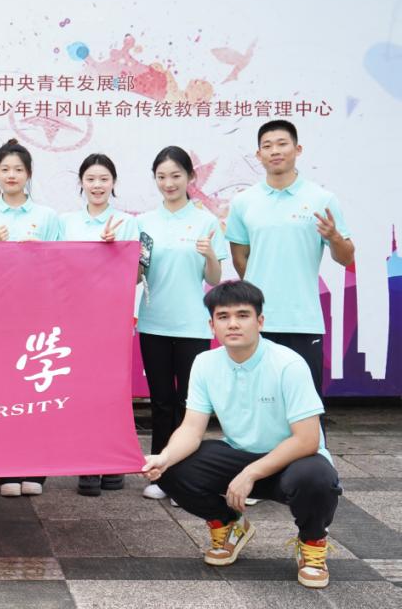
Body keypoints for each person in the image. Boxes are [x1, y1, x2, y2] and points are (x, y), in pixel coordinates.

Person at [142, 281, 340, 589]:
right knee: (169, 470)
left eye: (242, 315)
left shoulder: (288, 364)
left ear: (260, 321)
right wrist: (163, 457)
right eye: (223, 317)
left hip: (292, 461)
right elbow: (192, 429)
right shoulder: (205, 363)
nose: (233, 324)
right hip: (240, 456)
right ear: (212, 325)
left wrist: (251, 473)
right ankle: (229, 524)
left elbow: (307, 439)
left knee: (316, 477)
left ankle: (312, 543)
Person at [225, 119, 354, 403]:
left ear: (298, 149)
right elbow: (239, 257)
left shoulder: (322, 199)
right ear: (258, 154)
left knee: (304, 402)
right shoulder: (244, 202)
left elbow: (345, 258)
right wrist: (259, 293)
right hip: (258, 321)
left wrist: (334, 237)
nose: (275, 151)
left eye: (282, 144)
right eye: (267, 146)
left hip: (303, 320)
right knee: (260, 401)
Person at [0, 139, 61, 497]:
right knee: (4, 392)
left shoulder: (47, 217)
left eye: (18, 169)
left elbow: (62, 267)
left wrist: (42, 255)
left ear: (29, 174)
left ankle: (36, 469)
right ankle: (6, 470)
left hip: (37, 316)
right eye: (5, 169)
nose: (11, 175)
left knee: (35, 389)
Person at [136, 146, 228, 500]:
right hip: (153, 323)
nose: (168, 183)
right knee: (161, 402)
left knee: (191, 404)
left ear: (191, 177)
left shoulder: (205, 221)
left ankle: (184, 478)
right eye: (161, 176)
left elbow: (214, 278)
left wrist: (209, 255)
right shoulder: (144, 222)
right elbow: (137, 276)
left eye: (176, 175)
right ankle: (161, 474)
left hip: (192, 325)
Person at [60, 153, 139, 497]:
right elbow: (57, 266)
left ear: (113, 183)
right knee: (82, 391)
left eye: (104, 179)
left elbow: (137, 272)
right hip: (76, 318)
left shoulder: (127, 223)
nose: (97, 185)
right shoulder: (66, 222)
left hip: (113, 317)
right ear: (81, 183)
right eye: (91, 179)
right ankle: (88, 463)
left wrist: (113, 250)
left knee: (113, 391)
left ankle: (113, 462)